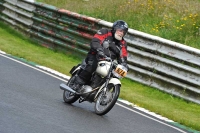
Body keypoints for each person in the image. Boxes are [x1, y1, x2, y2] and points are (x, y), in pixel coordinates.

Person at [72, 20, 129, 91]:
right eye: (120, 30)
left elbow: (123, 55)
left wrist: (124, 64)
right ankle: (77, 84)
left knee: (114, 74)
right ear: (115, 28)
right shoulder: (105, 32)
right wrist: (99, 50)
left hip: (108, 62)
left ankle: (102, 89)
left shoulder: (123, 43)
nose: (121, 33)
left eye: (123, 32)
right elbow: (95, 41)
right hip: (95, 55)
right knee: (92, 65)